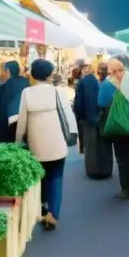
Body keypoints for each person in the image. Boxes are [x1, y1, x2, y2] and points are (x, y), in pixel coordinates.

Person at [16, 59, 77, 230]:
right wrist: (73, 136)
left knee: (40, 177)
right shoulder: (57, 92)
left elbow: (22, 122)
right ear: (49, 74)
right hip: (56, 142)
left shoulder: (27, 93)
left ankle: (43, 208)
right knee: (56, 177)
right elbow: (67, 115)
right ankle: (53, 215)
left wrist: (18, 142)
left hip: (36, 144)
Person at [101, 55, 129, 199]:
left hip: (116, 125)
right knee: (127, 156)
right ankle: (126, 186)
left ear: (111, 71)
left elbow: (101, 101)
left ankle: (124, 188)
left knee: (121, 157)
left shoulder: (108, 84)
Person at [0, 61, 28, 143]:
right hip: (26, 124)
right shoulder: (26, 82)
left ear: (8, 71)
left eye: (2, 70)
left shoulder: (5, 87)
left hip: (9, 127)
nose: (0, 73)